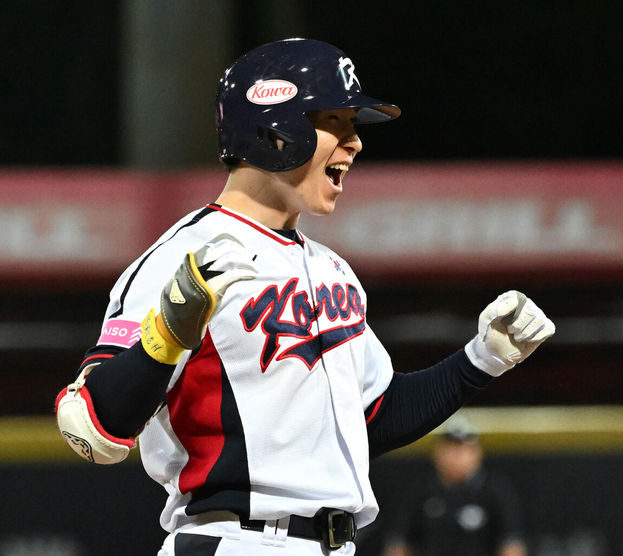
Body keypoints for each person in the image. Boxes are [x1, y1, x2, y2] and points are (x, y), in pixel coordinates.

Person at [54, 38, 555, 556]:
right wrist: (166, 335)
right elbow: (90, 429)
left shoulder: (332, 269)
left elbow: (373, 418)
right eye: (336, 121)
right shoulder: (180, 257)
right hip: (236, 540)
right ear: (275, 130)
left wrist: (482, 359)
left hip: (335, 544)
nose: (354, 143)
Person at [382, 418, 527, 556]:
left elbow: (512, 544)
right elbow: (400, 543)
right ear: (437, 452)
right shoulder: (423, 490)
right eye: (450, 449)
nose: (455, 456)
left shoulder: (494, 491)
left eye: (462, 450)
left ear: (477, 453)